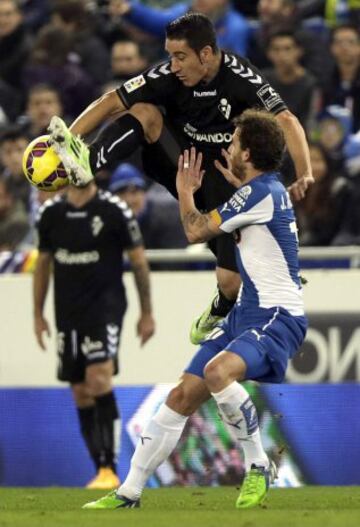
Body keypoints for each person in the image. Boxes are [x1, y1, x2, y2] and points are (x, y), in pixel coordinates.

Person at [82, 109, 307, 510]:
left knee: (217, 372)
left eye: (235, 142)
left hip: (277, 316)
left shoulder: (260, 193)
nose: (228, 146)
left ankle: (258, 464)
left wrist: (184, 188)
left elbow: (194, 229)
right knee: (182, 395)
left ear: (250, 152)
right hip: (246, 313)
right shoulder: (261, 190)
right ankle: (129, 492)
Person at [48, 12, 313, 345]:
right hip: (180, 159)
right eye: (170, 55)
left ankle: (222, 306)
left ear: (205, 54)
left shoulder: (241, 76)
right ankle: (88, 160)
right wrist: (69, 140)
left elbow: (286, 119)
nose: (173, 65)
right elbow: (111, 100)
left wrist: (305, 172)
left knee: (230, 283)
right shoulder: (168, 74)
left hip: (226, 178)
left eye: (180, 56)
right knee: (144, 111)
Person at [33, 180, 155, 489]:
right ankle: (100, 468)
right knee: (80, 391)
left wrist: (146, 312)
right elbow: (43, 265)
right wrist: (37, 314)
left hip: (106, 307)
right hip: (68, 312)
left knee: (99, 377)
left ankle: (110, 469)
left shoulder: (114, 209)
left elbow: (139, 262)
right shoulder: (50, 213)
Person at [109, 162, 188, 249]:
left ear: (144, 193)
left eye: (134, 192)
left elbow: (174, 259)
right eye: (121, 193)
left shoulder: (165, 216)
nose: (129, 200)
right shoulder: (107, 221)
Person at [263, 30, 319, 132]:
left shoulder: (310, 84)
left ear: (299, 51)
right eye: (276, 49)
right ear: (269, 54)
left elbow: (311, 122)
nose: (282, 55)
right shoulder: (262, 81)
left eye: (287, 49)